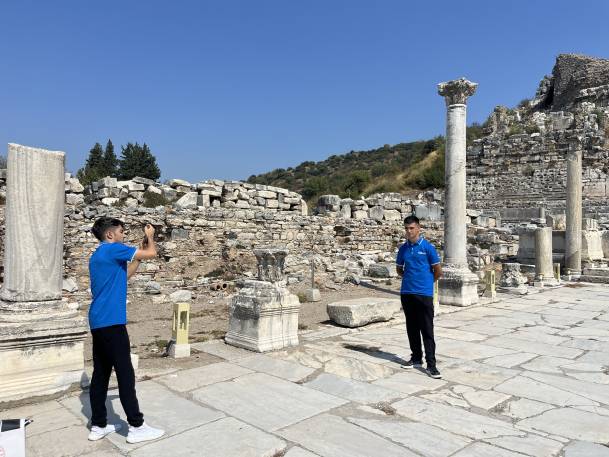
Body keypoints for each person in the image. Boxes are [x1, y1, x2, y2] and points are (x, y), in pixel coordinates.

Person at [87, 217, 165, 443]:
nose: (123, 235)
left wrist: (137, 258)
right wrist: (150, 237)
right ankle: (137, 426)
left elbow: (124, 276)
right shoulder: (113, 249)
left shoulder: (98, 255)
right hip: (112, 322)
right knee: (125, 374)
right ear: (110, 234)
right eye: (121, 232)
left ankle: (98, 425)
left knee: (100, 374)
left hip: (98, 321)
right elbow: (152, 253)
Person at [396, 215, 443, 379]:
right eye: (406, 228)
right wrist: (410, 279)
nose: (409, 231)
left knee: (427, 329)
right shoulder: (403, 249)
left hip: (424, 294)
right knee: (412, 327)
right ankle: (416, 358)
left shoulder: (428, 248)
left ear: (418, 228)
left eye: (412, 228)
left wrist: (427, 282)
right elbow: (399, 269)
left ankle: (431, 365)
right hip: (407, 293)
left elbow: (438, 271)